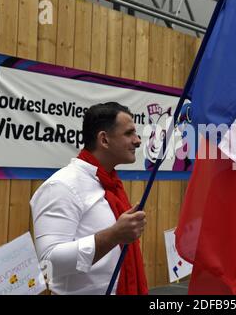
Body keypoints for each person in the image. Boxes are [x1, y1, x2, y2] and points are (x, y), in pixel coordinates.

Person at [30, 102, 148, 295]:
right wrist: (113, 235)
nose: (137, 141)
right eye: (129, 133)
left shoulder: (110, 183)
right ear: (104, 140)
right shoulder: (61, 186)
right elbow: (48, 262)